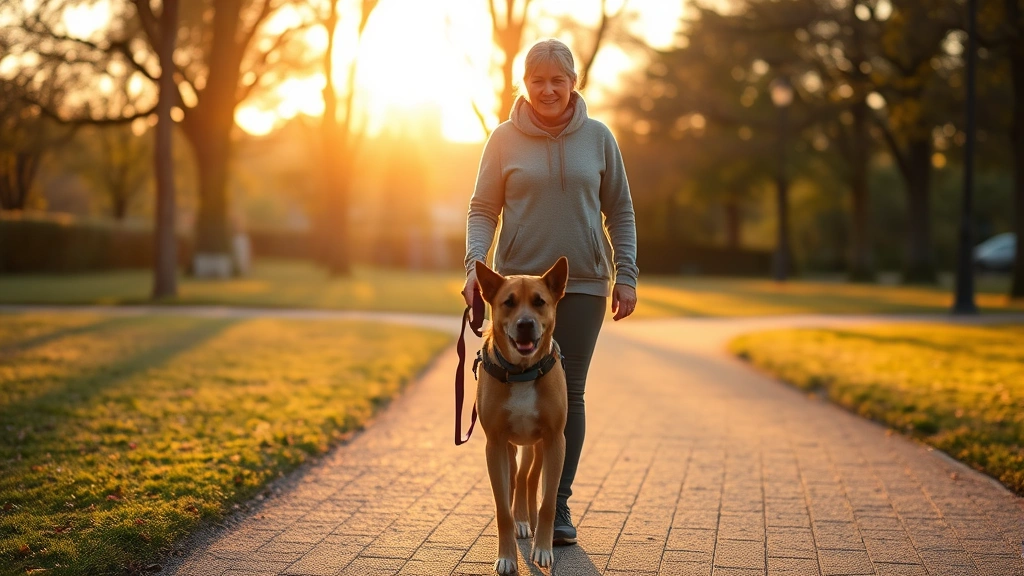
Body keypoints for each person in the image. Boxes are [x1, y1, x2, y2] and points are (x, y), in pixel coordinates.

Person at [462, 38, 638, 546]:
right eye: (537, 80)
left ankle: (555, 507)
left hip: (580, 284)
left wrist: (625, 274)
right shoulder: (502, 139)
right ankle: (519, 490)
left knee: (570, 393)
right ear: (526, 84)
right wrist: (476, 269)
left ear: (573, 83)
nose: (547, 89)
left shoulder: (600, 138)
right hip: (515, 289)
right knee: (513, 389)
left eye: (557, 80)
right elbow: (482, 210)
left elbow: (620, 211)